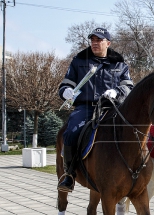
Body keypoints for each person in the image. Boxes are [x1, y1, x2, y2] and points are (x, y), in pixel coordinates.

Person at [57, 28, 134, 192]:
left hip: (111, 107)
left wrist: (117, 92)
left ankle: (133, 171)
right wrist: (66, 92)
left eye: (99, 40)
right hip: (86, 107)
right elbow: (66, 84)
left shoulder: (119, 63)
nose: (95, 43)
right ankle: (69, 175)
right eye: (92, 40)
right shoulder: (79, 61)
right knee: (70, 132)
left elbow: (128, 87)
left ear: (108, 43)